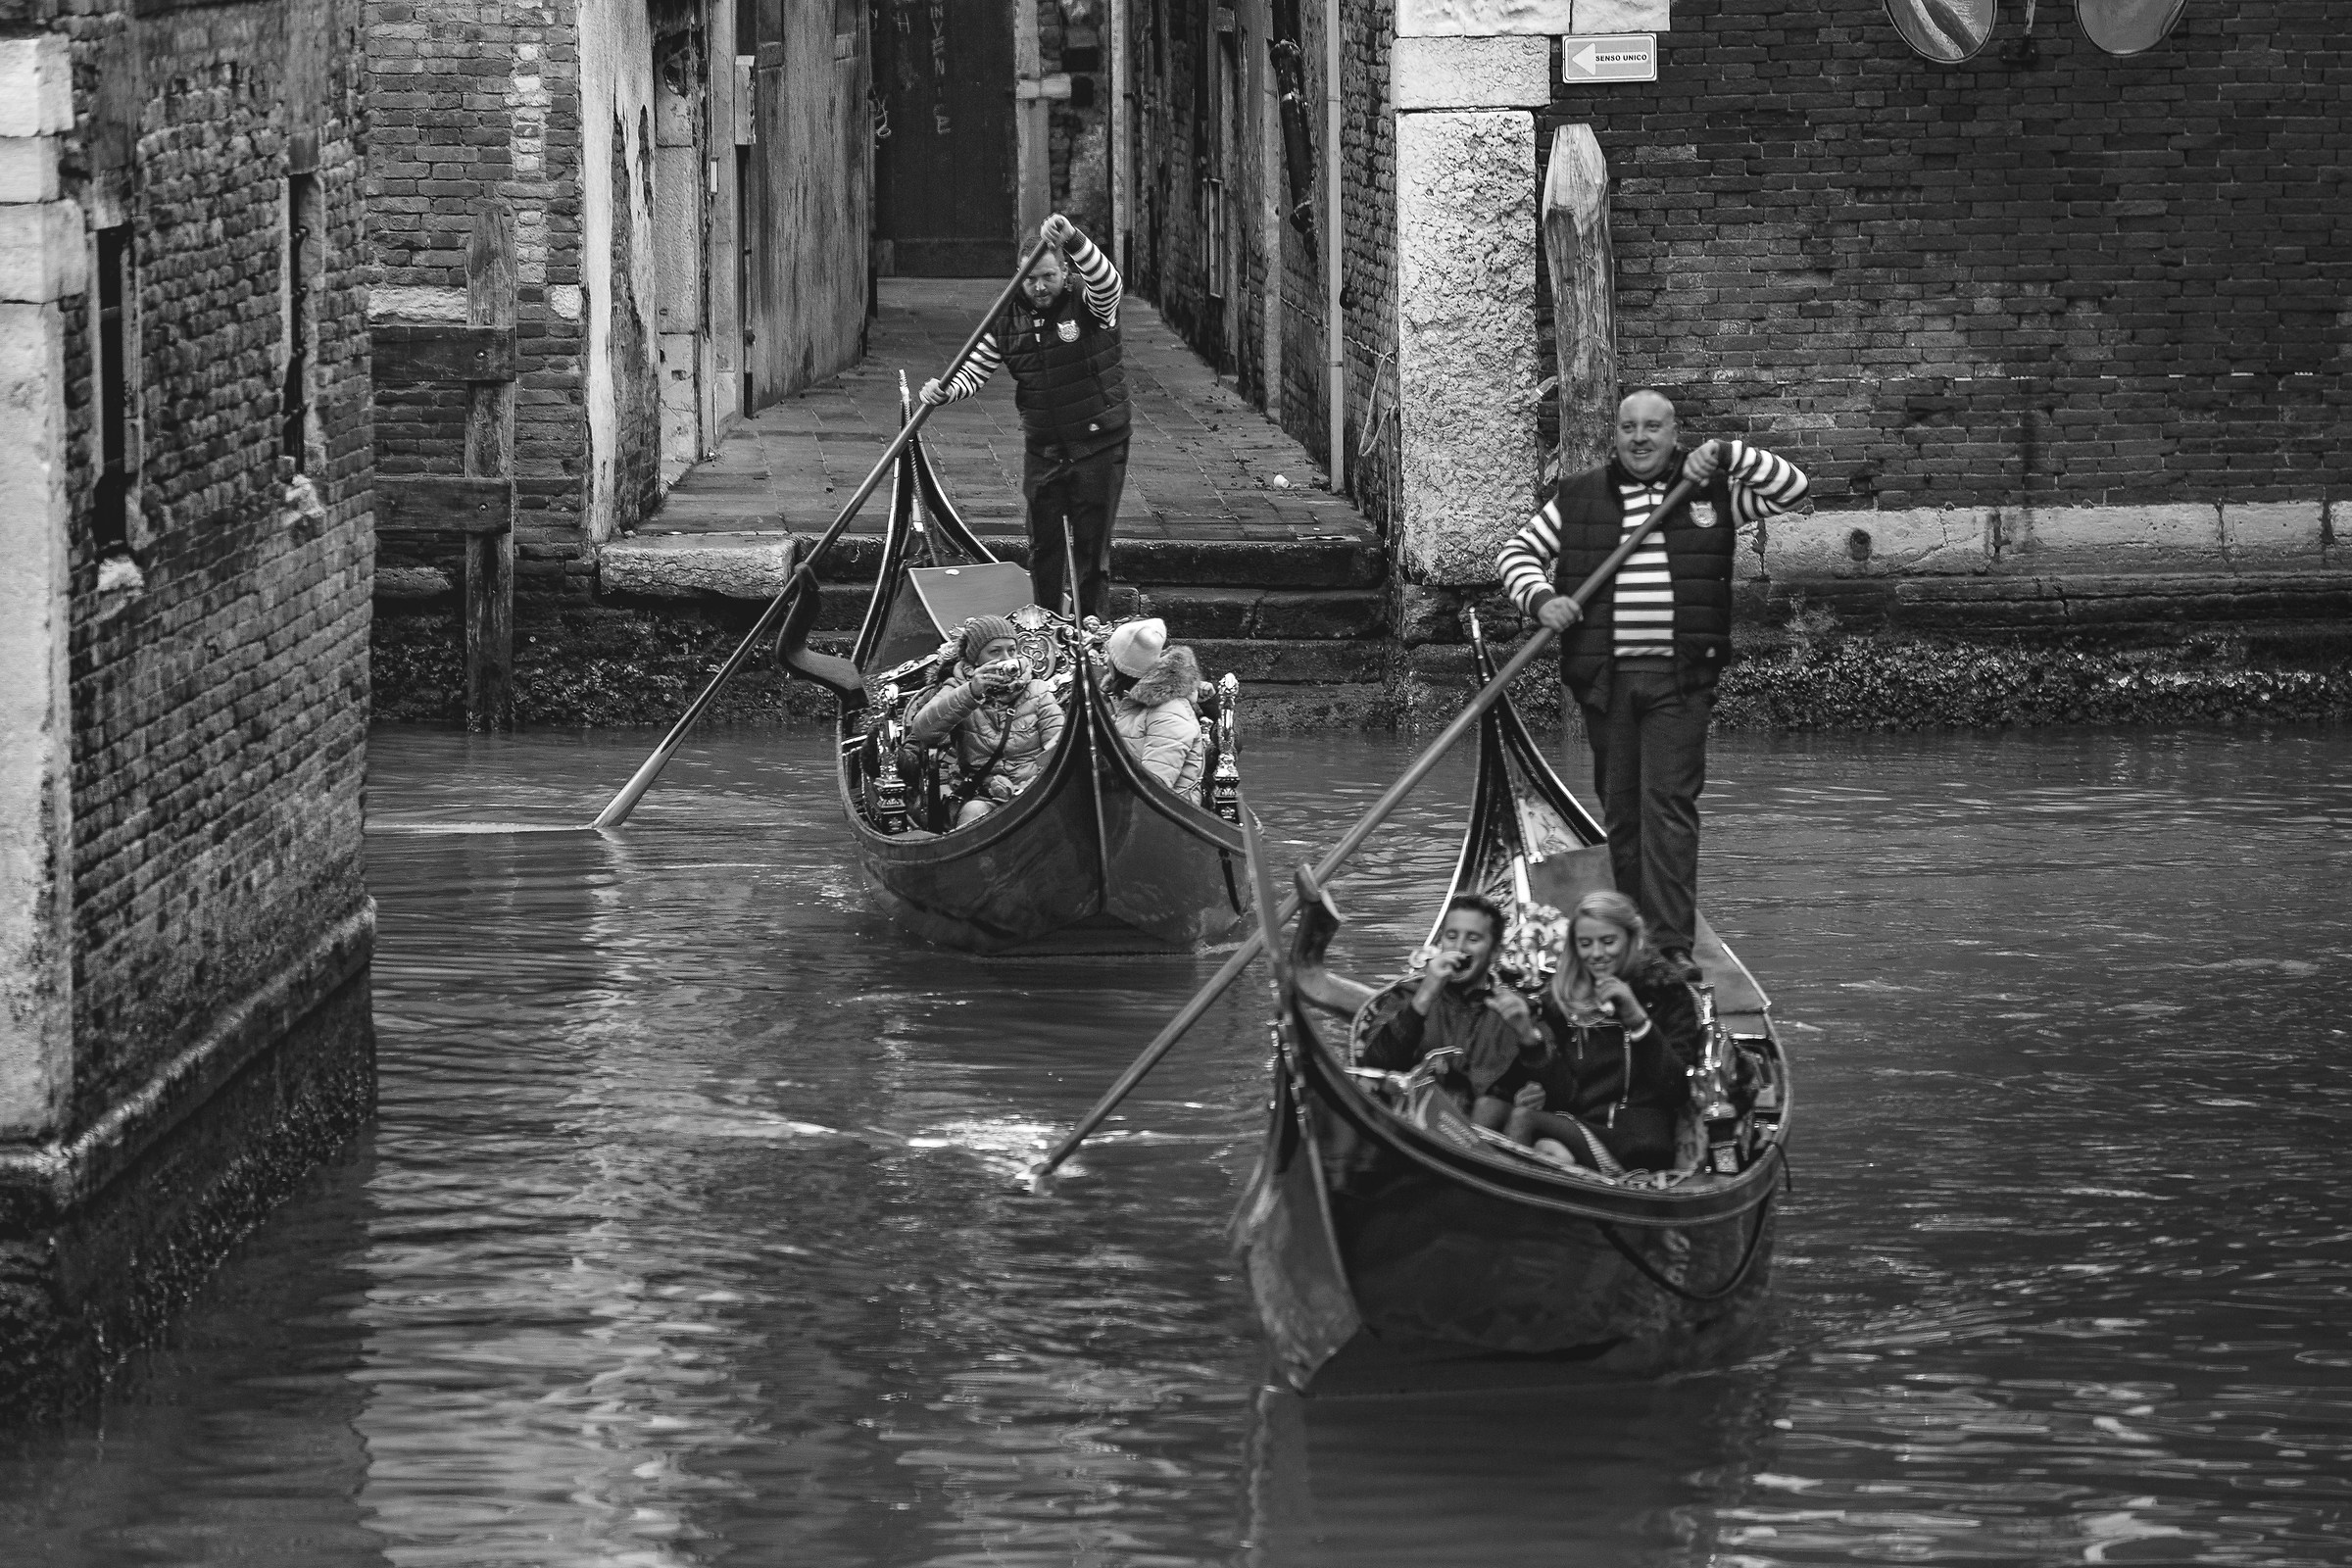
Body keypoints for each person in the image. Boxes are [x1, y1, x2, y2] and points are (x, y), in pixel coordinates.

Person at [1496, 390, 1810, 981]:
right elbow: (1517, 553)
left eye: (1653, 428)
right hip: (1606, 680)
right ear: (1616, 434)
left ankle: (1669, 949)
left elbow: (1795, 489)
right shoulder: (1580, 497)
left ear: (1673, 435)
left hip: (1680, 679)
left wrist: (1722, 453)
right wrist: (1543, 601)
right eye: (1629, 427)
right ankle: (1632, 934)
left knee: (1668, 807)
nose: (1640, 438)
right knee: (1623, 812)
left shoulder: (1713, 493)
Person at [919, 213, 1129, 620]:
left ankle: (1092, 634)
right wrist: (944, 392)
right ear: (1019, 277)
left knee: (1091, 550)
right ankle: (1044, 634)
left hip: (1099, 442)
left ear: (1064, 271)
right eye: (1030, 279)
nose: (1039, 287)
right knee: (1043, 547)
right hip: (1045, 446)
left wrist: (1072, 237)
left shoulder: (1091, 304)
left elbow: (1109, 282)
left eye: (1048, 277)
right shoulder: (1006, 316)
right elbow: (975, 370)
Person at [1503, 891, 1701, 1174]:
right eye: (1585, 944)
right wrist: (1529, 1040)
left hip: (1641, 1139)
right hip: (1582, 1127)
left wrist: (1637, 1020)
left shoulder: (1668, 994)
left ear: (1633, 940)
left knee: (1524, 1120)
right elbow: (1565, 1095)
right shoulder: (1562, 1002)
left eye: (1608, 942)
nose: (1596, 954)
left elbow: (1677, 1091)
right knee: (1544, 1146)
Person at [1357, 894, 1545, 1128]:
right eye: (1451, 936)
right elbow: (1372, 1065)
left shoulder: (1519, 1009)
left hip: (1484, 1143)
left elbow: (1561, 1095)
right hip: (1409, 1129)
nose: (1459, 948)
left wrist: (1528, 1037)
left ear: (1496, 952)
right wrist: (1424, 997)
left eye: (1473, 938)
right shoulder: (1407, 995)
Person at [906, 614, 1066, 827]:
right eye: (995, 651)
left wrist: (1028, 787)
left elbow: (1057, 747)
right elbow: (923, 731)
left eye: (1011, 650)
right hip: (982, 793)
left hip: (1034, 789)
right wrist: (972, 692)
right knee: (974, 814)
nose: (1006, 658)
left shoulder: (1036, 690)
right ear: (975, 659)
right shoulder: (957, 688)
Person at [1102, 617, 1206, 797]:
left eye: (1110, 655)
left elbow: (1154, 788)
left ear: (1118, 666)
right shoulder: (1121, 700)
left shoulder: (1171, 713)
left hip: (1166, 816)